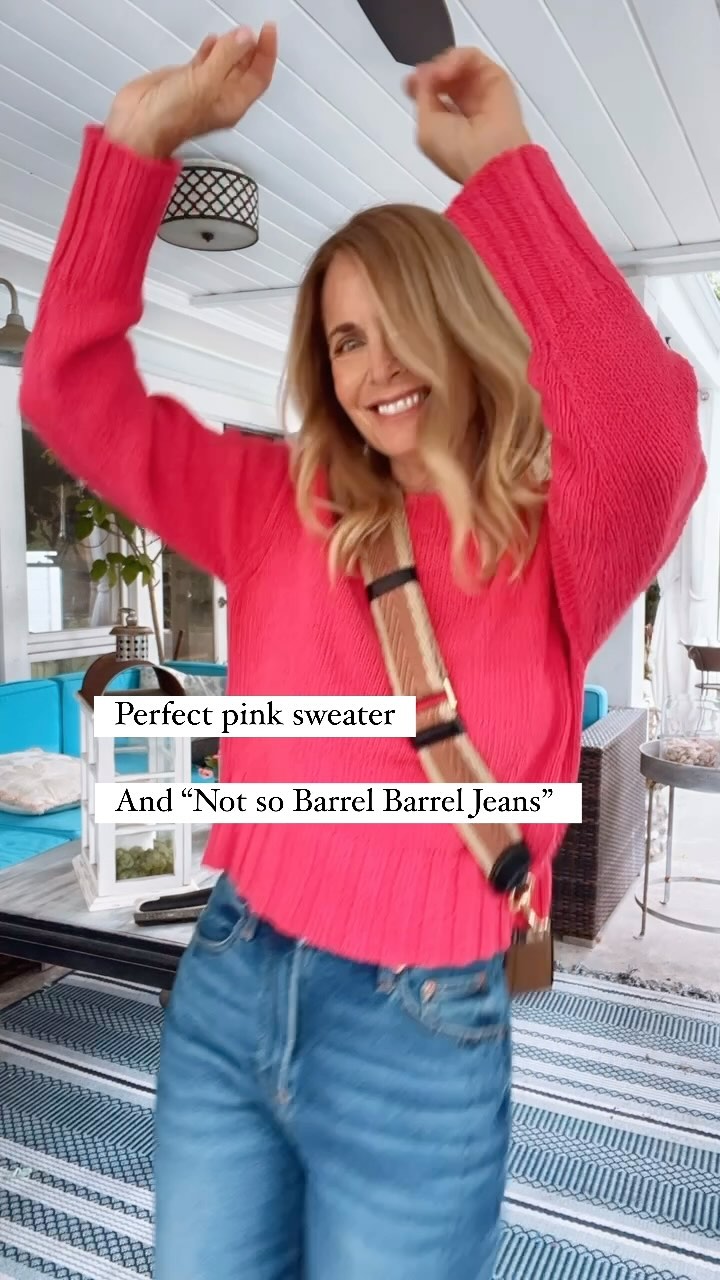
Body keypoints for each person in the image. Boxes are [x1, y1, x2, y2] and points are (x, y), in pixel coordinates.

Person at [20, 22, 706, 1280]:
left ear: (460, 321)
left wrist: (501, 169)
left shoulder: (556, 532)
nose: (375, 365)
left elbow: (653, 433)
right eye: (343, 339)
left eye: (398, 322)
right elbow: (70, 394)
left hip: (421, 1021)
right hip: (234, 971)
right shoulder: (279, 501)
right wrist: (139, 142)